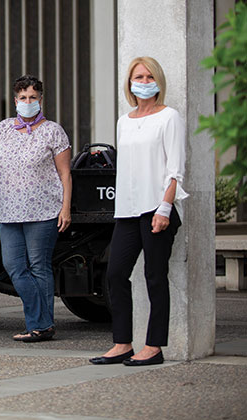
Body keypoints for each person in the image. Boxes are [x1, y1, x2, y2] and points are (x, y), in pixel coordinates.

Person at [91, 57, 187, 366]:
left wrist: (165, 208)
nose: (143, 82)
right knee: (116, 273)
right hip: (128, 211)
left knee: (154, 276)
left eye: (148, 77)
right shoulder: (124, 120)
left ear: (157, 81)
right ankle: (122, 343)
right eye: (138, 77)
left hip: (157, 209)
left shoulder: (169, 117)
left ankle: (155, 347)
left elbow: (175, 170)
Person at [0, 75, 71, 342]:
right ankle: (44, 323)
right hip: (10, 212)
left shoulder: (53, 131)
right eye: (23, 98)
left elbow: (65, 174)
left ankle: (39, 326)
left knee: (39, 267)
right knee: (13, 266)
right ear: (15, 101)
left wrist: (65, 208)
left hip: (43, 210)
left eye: (32, 97)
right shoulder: (4, 128)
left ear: (40, 99)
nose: (27, 102)